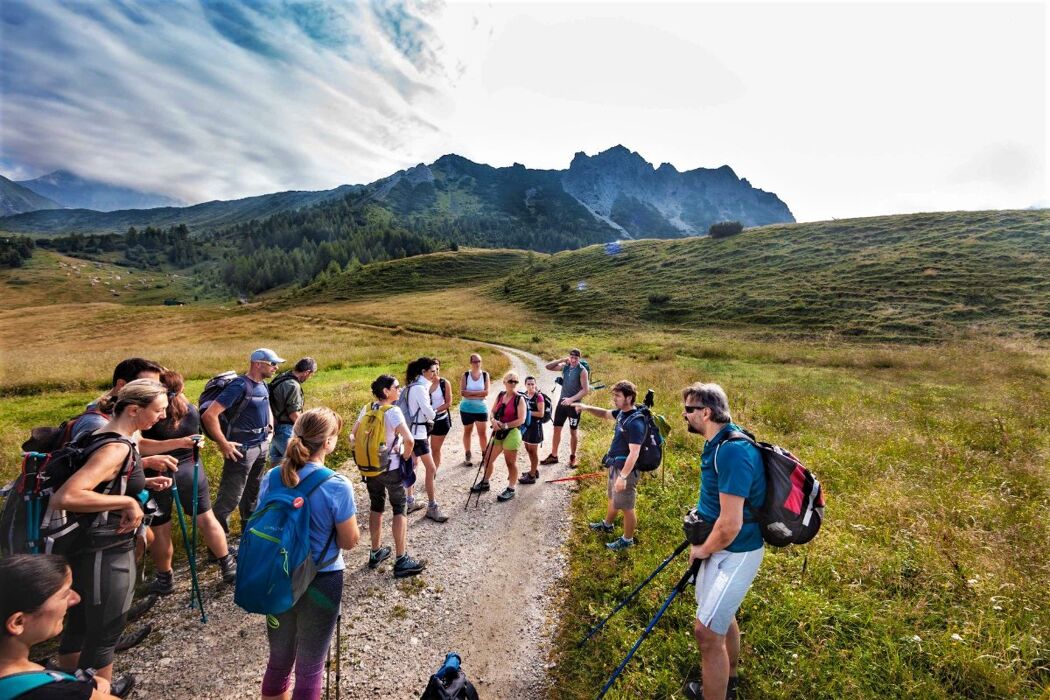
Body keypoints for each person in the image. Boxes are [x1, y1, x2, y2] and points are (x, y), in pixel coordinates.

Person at [50, 380, 173, 691]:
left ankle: (72, 690)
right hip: (105, 549)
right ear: (133, 410)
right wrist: (127, 502)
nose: (162, 416)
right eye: (158, 410)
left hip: (85, 545)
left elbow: (104, 481)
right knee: (105, 631)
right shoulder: (116, 447)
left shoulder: (102, 435)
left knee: (79, 624)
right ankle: (98, 692)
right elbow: (67, 496)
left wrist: (142, 482)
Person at [257, 408, 360, 700]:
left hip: (277, 576)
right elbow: (349, 541)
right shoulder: (337, 485)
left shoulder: (273, 477)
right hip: (322, 578)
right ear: (328, 443)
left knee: (279, 661)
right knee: (310, 667)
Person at [681, 383, 766, 700]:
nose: (685, 415)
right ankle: (727, 680)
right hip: (720, 548)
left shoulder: (732, 451)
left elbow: (731, 524)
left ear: (706, 412)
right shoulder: (718, 442)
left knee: (706, 633)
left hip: (736, 552)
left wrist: (701, 549)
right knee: (721, 617)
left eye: (688, 409)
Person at [142, 370, 236, 595]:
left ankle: (165, 579)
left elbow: (141, 444)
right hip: (191, 469)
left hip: (160, 472)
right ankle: (227, 564)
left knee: (160, 526)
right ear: (181, 387)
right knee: (206, 517)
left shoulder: (154, 414)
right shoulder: (190, 409)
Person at [0, 554, 122, 699]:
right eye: (65, 595)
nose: (76, 598)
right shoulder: (57, 692)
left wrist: (86, 680)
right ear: (18, 622)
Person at [348, 375, 426, 579]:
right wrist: (406, 457)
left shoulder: (367, 408)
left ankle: (375, 552)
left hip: (370, 468)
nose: (399, 389)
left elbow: (352, 436)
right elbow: (409, 440)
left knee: (376, 506)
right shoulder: (393, 411)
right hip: (391, 469)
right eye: (396, 387)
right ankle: (401, 559)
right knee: (399, 508)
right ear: (386, 391)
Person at [202, 348, 280, 537]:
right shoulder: (239, 385)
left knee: (252, 495)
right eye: (272, 364)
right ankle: (219, 545)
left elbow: (267, 407)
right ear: (257, 364)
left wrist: (269, 430)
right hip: (241, 450)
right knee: (229, 498)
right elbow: (209, 415)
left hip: (261, 447)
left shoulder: (263, 385)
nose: (276, 368)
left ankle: (249, 536)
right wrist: (223, 443)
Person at [573, 380, 645, 550]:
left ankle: (627, 541)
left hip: (626, 470)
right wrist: (586, 407)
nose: (614, 398)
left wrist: (623, 476)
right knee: (613, 498)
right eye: (614, 395)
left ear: (629, 397)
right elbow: (605, 413)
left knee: (627, 506)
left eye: (618, 396)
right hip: (615, 465)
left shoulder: (635, 422)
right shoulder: (622, 414)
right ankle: (607, 525)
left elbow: (635, 453)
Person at [402, 358, 447, 523]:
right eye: (432, 371)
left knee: (412, 465)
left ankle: (410, 501)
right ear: (423, 371)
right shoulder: (420, 388)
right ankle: (432, 507)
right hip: (419, 434)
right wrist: (434, 412)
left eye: (436, 370)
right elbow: (429, 413)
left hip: (410, 432)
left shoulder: (411, 386)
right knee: (431, 468)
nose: (435, 374)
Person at [470, 372, 527, 502]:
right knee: (487, 458)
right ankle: (485, 482)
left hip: (512, 433)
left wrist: (505, 425)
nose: (513, 383)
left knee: (510, 462)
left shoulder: (519, 399)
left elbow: (521, 420)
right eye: (510, 381)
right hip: (498, 431)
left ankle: (511, 488)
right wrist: (493, 421)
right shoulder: (501, 395)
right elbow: (492, 412)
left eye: (516, 381)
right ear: (504, 382)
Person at [542, 349, 590, 468]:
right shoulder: (565, 367)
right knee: (556, 429)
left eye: (576, 358)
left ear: (579, 359)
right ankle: (554, 456)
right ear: (569, 357)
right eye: (571, 357)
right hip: (562, 403)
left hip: (574, 406)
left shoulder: (582, 371)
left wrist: (571, 399)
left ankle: (573, 457)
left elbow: (585, 390)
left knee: (573, 431)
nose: (573, 360)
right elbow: (548, 367)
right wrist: (562, 360)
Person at [267, 357, 317, 467]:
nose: (310, 377)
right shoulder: (293, 385)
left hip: (274, 428)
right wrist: (307, 430)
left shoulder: (282, 376)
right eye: (311, 374)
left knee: (277, 466)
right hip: (285, 431)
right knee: (300, 463)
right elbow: (294, 414)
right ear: (307, 372)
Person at [458, 354, 490, 467]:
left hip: (481, 409)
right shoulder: (466, 375)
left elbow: (486, 392)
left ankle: (484, 456)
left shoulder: (485, 375)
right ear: (471, 363)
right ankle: (468, 455)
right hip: (466, 409)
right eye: (475, 361)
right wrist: (479, 394)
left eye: (479, 361)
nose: (477, 363)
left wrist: (470, 394)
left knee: (482, 434)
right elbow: (463, 393)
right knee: (468, 432)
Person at [518, 377, 545, 484]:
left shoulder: (539, 397)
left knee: (533, 452)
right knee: (528, 450)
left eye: (532, 384)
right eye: (528, 384)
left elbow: (541, 414)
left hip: (535, 428)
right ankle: (534, 470)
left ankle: (532, 476)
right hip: (526, 427)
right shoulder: (524, 395)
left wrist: (526, 412)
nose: (531, 386)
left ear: (535, 384)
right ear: (525, 385)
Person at [428, 359, 453, 470]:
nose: (436, 371)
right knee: (420, 450)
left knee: (435, 449)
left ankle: (433, 473)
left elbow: (448, 403)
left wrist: (434, 411)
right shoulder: (423, 383)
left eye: (437, 368)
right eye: (433, 369)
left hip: (440, 420)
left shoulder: (444, 383)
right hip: (424, 420)